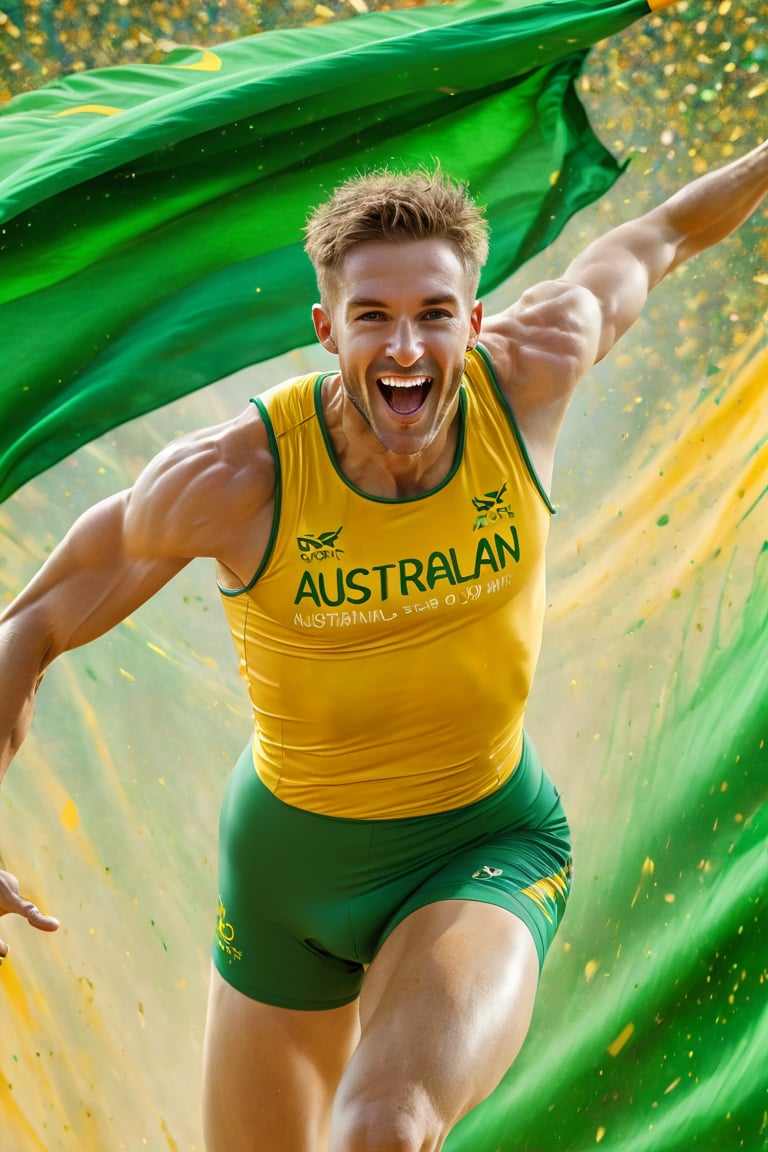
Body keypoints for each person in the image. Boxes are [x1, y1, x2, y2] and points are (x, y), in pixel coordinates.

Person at [1, 140, 766, 1152]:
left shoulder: (534, 370)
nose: (406, 348)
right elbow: (32, 623)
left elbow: (661, 234)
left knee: (383, 1129)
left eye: (433, 314)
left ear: (475, 318)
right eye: (374, 317)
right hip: (285, 874)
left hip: (483, 845)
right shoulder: (232, 480)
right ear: (327, 328)